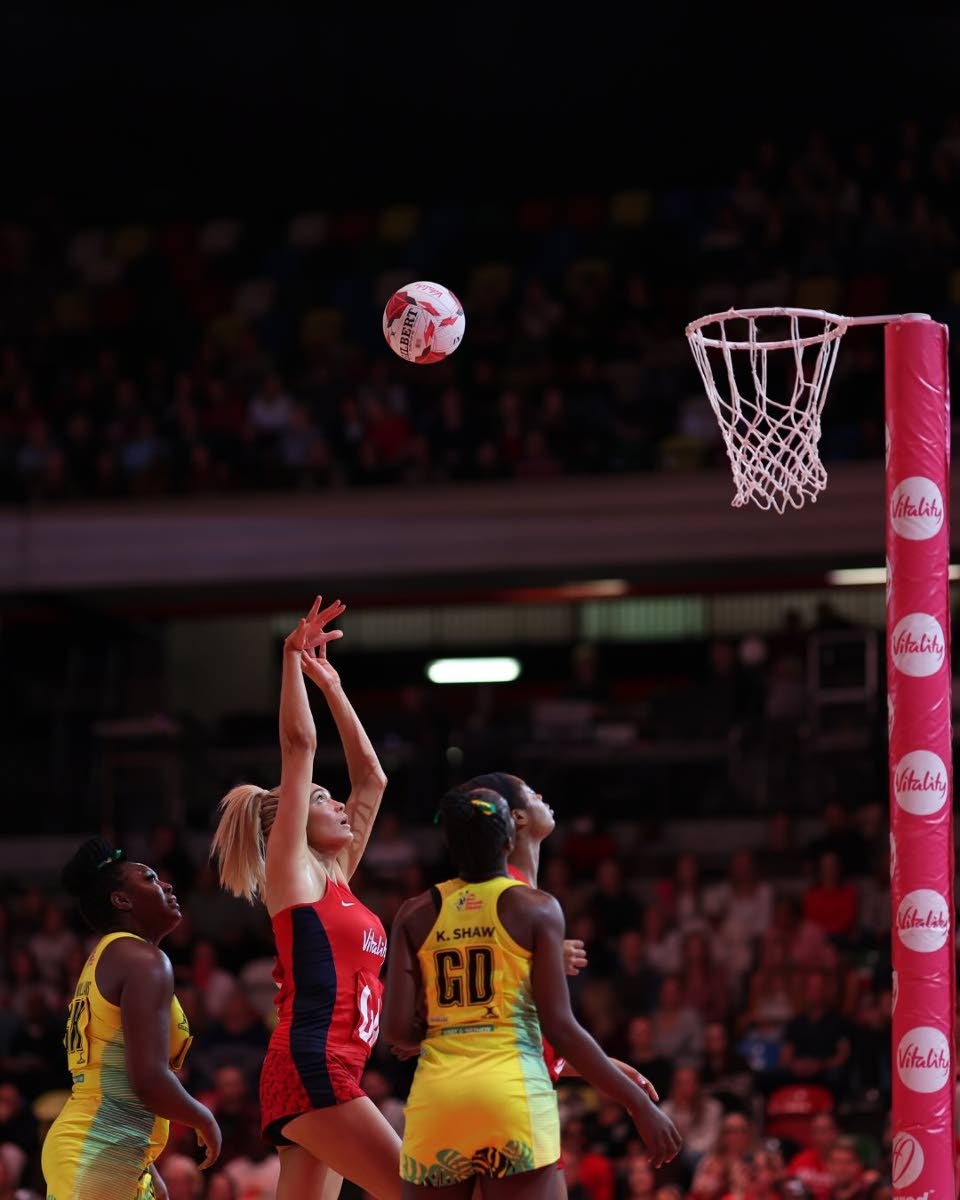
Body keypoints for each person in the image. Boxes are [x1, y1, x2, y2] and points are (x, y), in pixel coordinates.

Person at [383, 786, 681, 1196]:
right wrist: (639, 1104)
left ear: (449, 844)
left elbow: (397, 1031)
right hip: (512, 1097)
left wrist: (450, 1030)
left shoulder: (413, 913)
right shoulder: (535, 907)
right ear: (509, 840)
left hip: (439, 1102)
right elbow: (560, 1028)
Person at [211, 597, 396, 1200]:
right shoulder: (291, 871)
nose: (338, 803)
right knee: (426, 1191)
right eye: (321, 799)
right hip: (315, 1065)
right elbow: (299, 748)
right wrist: (291, 658)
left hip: (328, 1066)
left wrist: (334, 686)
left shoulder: (336, 872)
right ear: (288, 823)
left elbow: (371, 778)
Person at [42, 837, 221, 1200]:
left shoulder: (110, 957)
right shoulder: (141, 959)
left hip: (108, 1146)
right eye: (151, 879)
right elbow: (148, 1079)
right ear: (121, 900)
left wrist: (149, 1165)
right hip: (97, 1151)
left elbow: (112, 1076)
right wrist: (205, 1118)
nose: (167, 884)